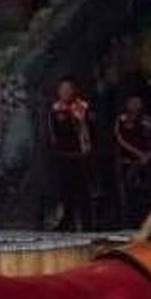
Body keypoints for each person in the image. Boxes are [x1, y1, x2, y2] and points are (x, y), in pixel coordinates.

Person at [48, 78, 94, 231]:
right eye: (62, 89)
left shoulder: (83, 107)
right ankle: (66, 223)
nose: (65, 92)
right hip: (64, 155)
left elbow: (90, 129)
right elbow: (53, 135)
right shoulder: (55, 110)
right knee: (66, 191)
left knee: (84, 191)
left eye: (68, 89)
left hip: (83, 155)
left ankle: (87, 224)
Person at [114, 93, 151, 226]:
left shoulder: (146, 120)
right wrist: (138, 154)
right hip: (128, 161)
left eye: (138, 102)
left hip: (145, 162)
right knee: (127, 191)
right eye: (132, 101)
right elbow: (120, 139)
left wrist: (149, 154)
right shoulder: (122, 119)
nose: (135, 105)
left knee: (143, 192)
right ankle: (126, 220)